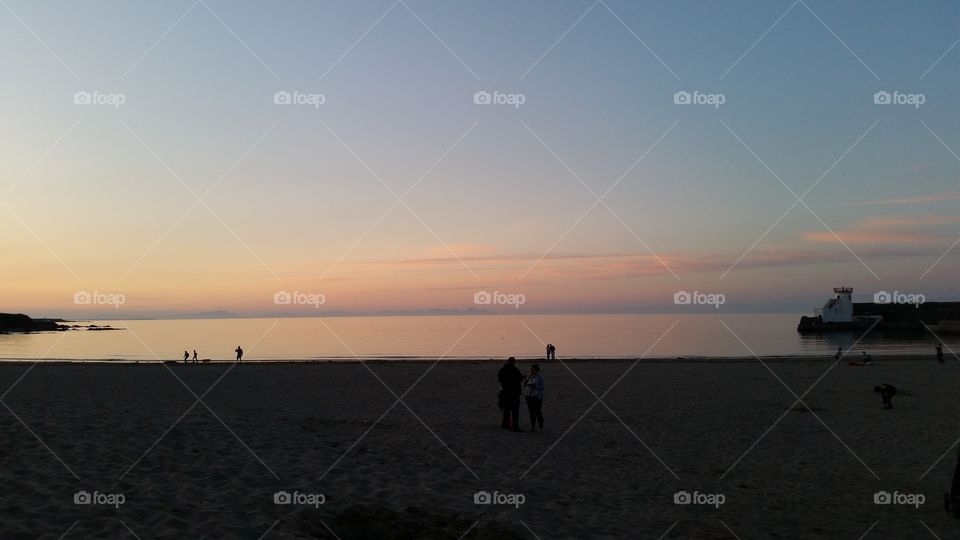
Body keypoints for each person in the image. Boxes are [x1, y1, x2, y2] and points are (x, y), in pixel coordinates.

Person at [498, 357, 523, 431]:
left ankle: (505, 424)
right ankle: (515, 426)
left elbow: (500, 379)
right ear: (514, 362)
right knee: (515, 411)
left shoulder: (502, 370)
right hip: (514, 393)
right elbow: (520, 378)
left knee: (507, 410)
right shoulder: (515, 370)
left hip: (505, 393)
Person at [524, 364, 545, 432]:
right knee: (531, 412)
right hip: (529, 395)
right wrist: (526, 380)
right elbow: (524, 385)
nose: (531, 370)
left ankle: (540, 426)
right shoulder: (529, 376)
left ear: (536, 370)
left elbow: (542, 387)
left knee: (538, 412)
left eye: (532, 369)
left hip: (537, 397)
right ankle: (532, 427)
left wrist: (534, 386)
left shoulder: (540, 377)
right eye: (531, 369)